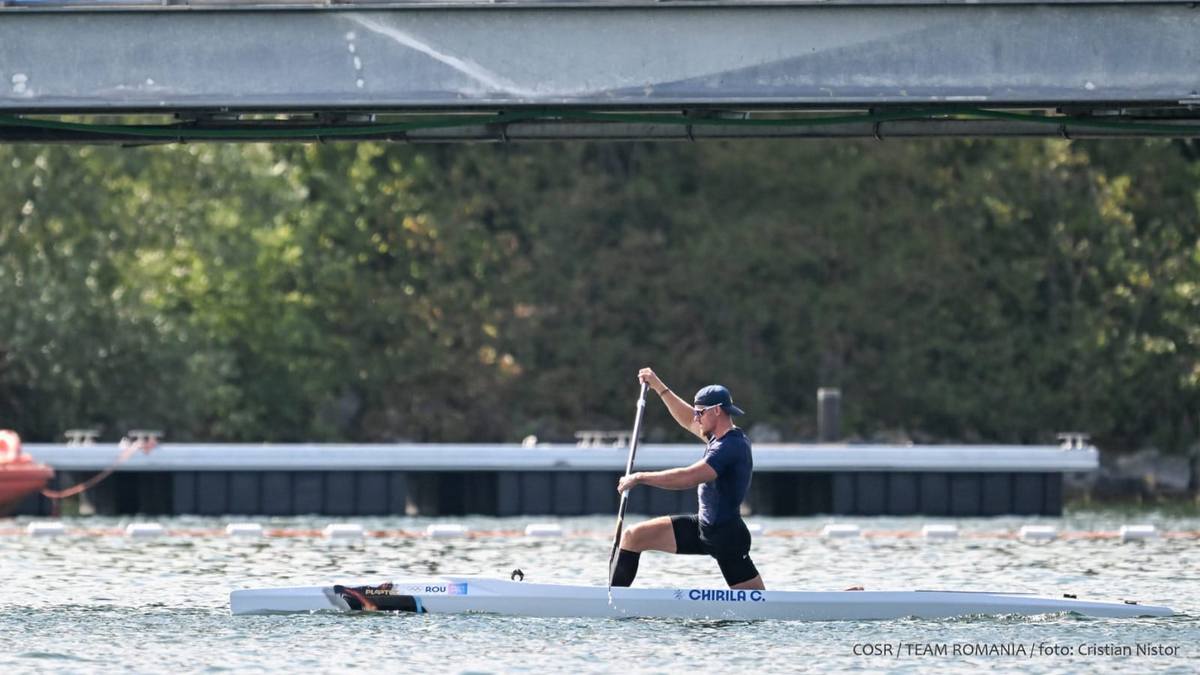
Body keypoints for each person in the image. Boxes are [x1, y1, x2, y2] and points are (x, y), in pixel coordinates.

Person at [610, 367, 764, 590]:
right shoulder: (715, 436)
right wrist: (658, 386)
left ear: (717, 411)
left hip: (727, 537)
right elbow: (687, 420)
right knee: (634, 536)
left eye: (700, 412)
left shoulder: (732, 446)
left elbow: (689, 477)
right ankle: (614, 598)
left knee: (756, 605)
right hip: (703, 528)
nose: (696, 417)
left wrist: (640, 477)